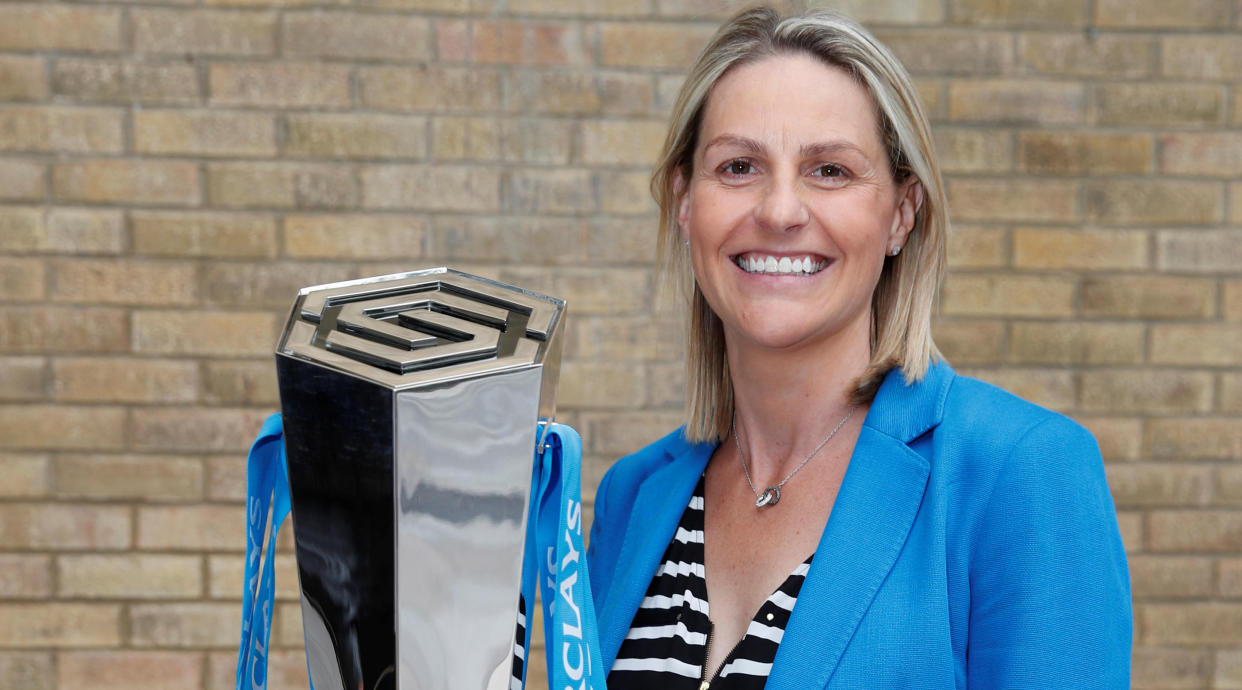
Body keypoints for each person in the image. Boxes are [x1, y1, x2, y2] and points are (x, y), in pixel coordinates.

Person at [584, 7, 1132, 689]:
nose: (780, 211)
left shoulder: (1019, 474)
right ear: (685, 201)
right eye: (739, 166)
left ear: (902, 213)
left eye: (830, 171)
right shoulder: (632, 497)